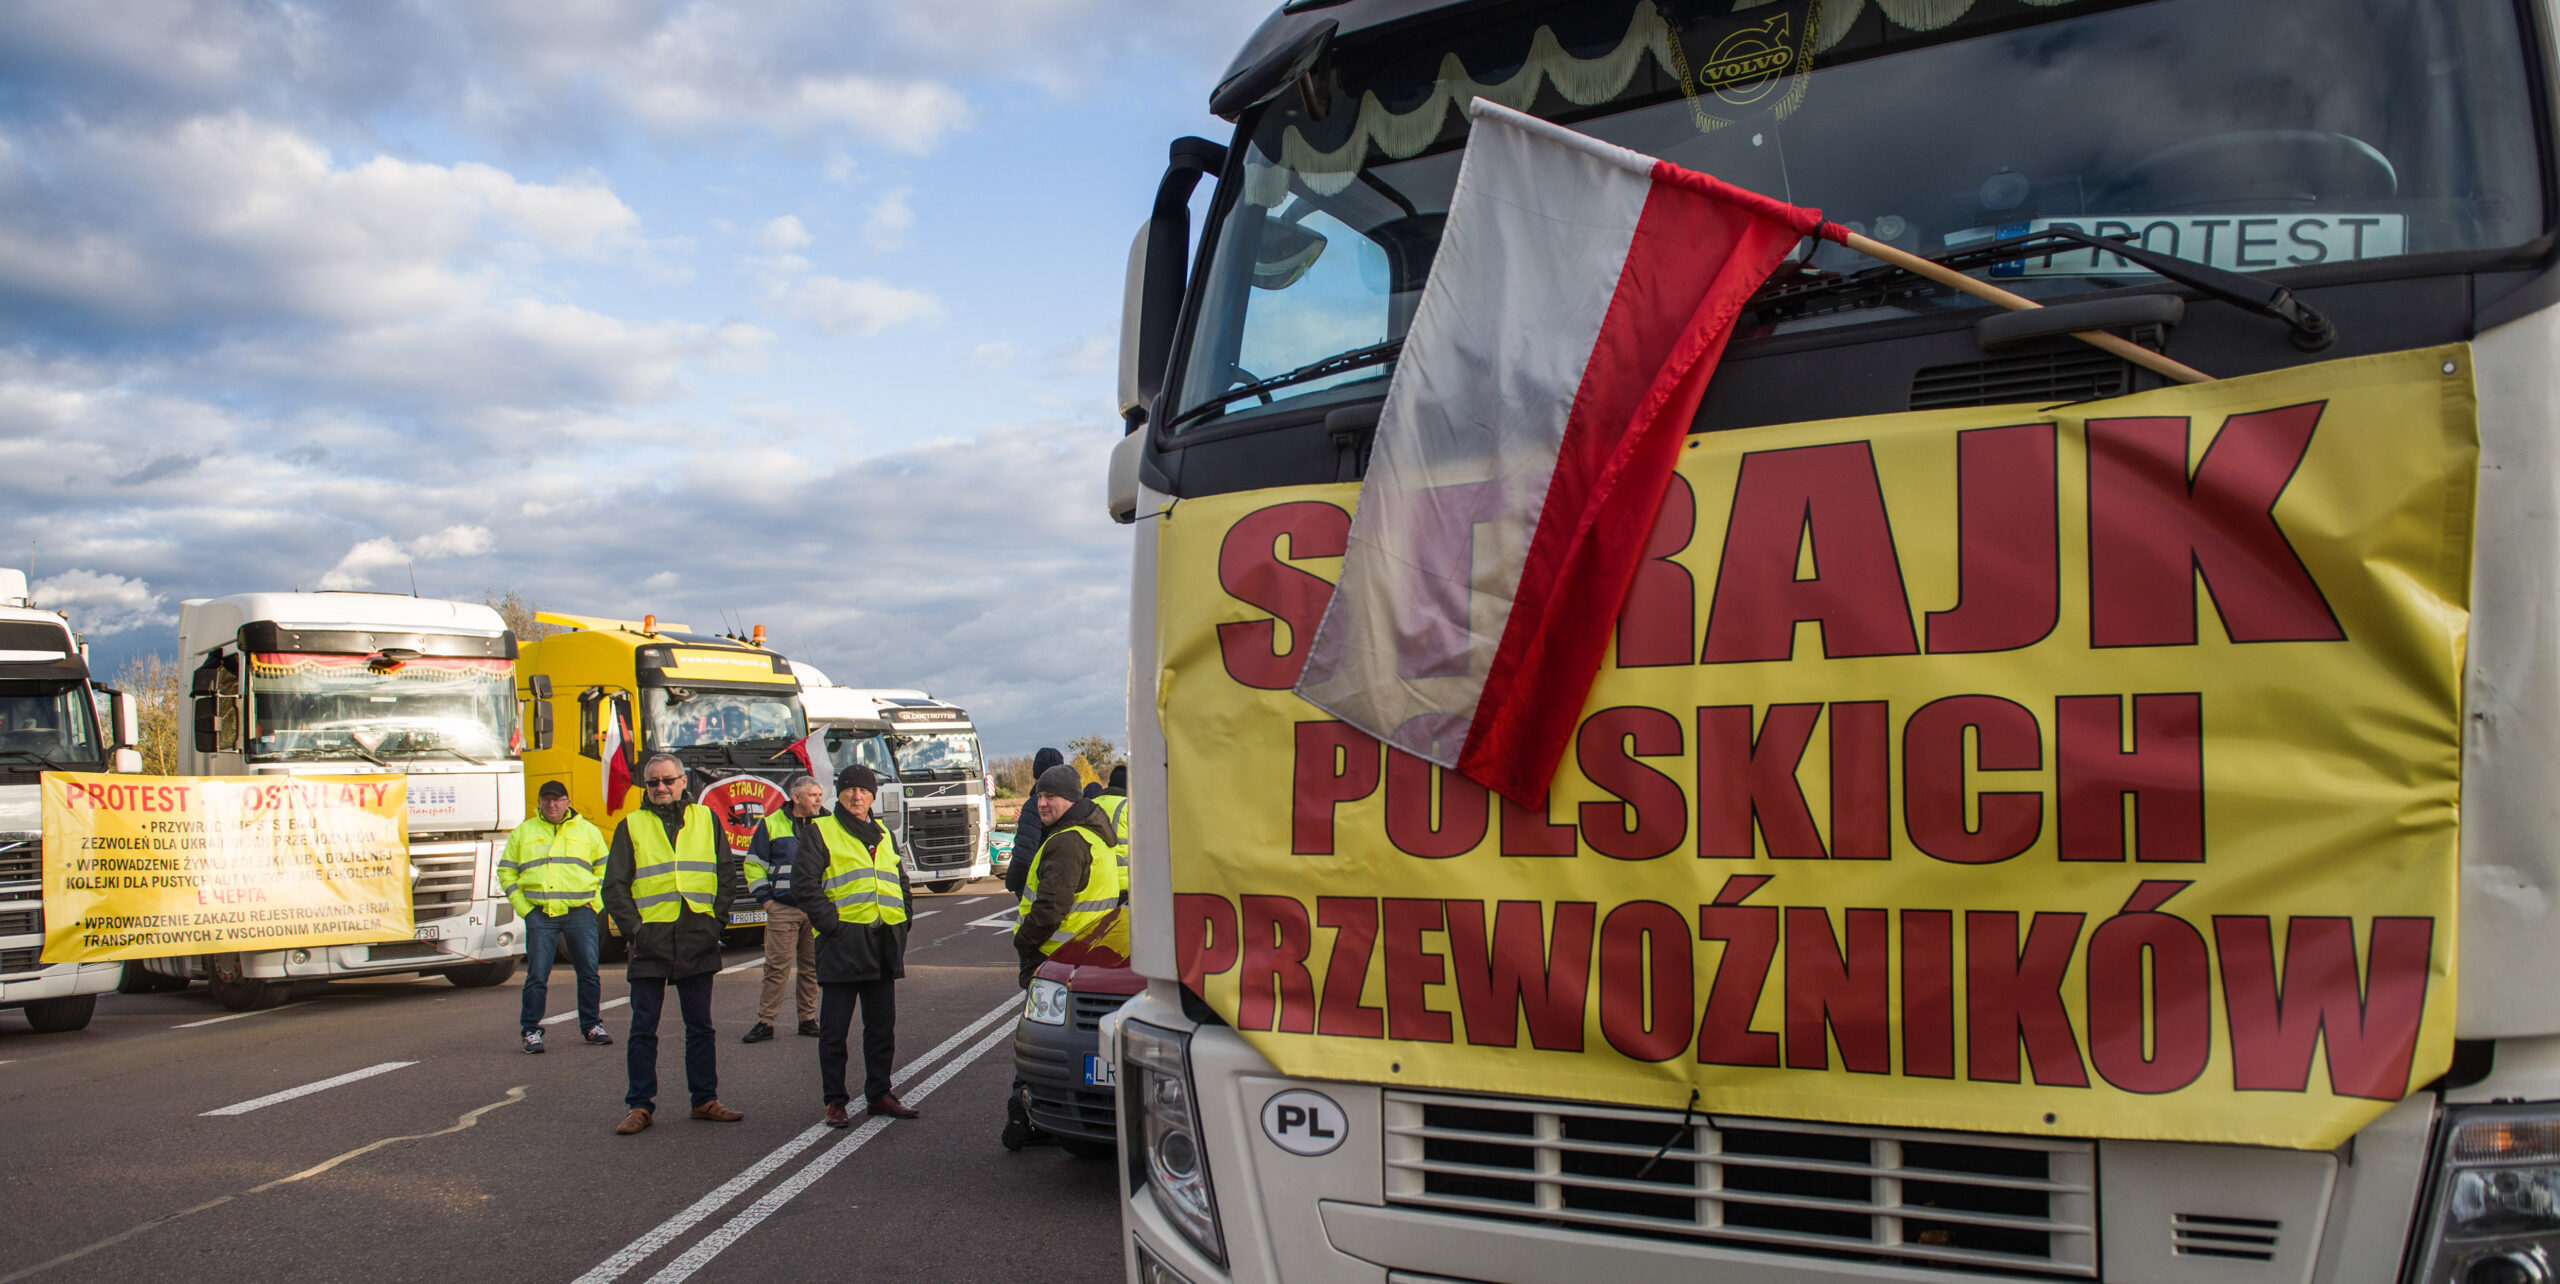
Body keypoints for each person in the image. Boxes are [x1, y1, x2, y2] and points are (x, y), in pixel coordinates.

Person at [603, 752, 747, 1135]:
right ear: (646, 787)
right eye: (653, 782)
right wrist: (635, 931)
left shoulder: (705, 818)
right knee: (643, 1028)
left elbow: (725, 873)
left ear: (684, 782)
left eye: (669, 780)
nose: (662, 788)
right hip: (651, 939)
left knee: (700, 1025)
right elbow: (614, 887)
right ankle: (639, 1105)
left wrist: (715, 924)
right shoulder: (631, 824)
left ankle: (704, 1099)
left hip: (696, 934)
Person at [1002, 764, 1123, 1150]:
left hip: (1056, 961)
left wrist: (1024, 941)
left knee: (1041, 1045)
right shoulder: (1093, 835)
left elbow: (1051, 907)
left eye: (1049, 796)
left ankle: (1026, 1118)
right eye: (1038, 796)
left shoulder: (1069, 841)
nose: (1042, 803)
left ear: (1070, 798)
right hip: (1089, 959)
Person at [794, 763, 919, 1127]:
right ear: (840, 793)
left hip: (883, 943)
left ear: (873, 795)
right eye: (849, 789)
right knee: (834, 1031)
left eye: (863, 790)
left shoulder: (882, 832)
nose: (856, 795)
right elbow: (806, 886)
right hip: (843, 944)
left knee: (881, 1027)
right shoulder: (821, 831)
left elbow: (900, 878)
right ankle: (835, 1101)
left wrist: (905, 915)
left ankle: (879, 1092)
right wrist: (831, 926)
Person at [500, 780, 613, 1054]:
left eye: (557, 799)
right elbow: (506, 872)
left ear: (567, 801)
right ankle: (531, 1031)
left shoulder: (588, 831)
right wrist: (524, 909)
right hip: (540, 914)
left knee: (589, 972)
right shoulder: (523, 832)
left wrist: (595, 904)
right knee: (537, 974)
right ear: (538, 802)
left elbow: (606, 870)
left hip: (580, 913)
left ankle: (591, 1025)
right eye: (546, 799)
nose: (552, 804)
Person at [740, 775, 825, 1043]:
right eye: (813, 795)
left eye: (820, 795)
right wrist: (766, 899)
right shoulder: (771, 824)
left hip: (817, 909)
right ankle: (766, 1022)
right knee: (776, 968)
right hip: (783, 908)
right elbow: (754, 864)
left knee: (812, 967)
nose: (818, 800)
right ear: (796, 797)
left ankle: (808, 1019)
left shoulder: (828, 822)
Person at [1004, 747, 1065, 899]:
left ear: (1036, 774)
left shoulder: (1034, 805)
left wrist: (1013, 882)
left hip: (1039, 883)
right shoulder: (1071, 801)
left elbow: (1024, 852)